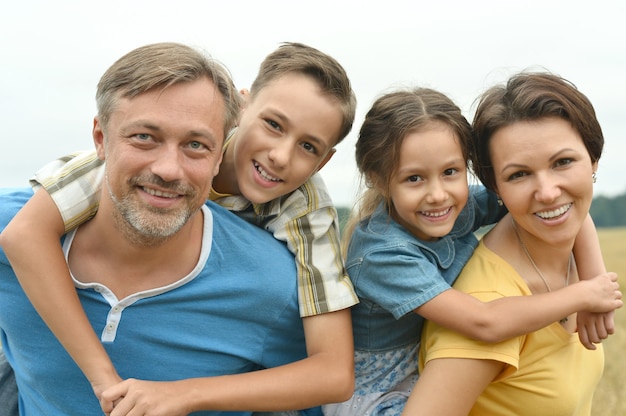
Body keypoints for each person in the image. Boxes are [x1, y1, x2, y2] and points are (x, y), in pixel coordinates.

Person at [0, 42, 354, 416]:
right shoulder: (90, 174)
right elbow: (22, 234)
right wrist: (105, 381)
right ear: (243, 107)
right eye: (273, 124)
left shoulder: (303, 220)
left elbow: (332, 372)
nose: (281, 155)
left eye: (309, 147)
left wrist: (185, 394)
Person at [324, 87, 621, 416]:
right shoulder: (383, 254)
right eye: (414, 178)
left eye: (450, 172)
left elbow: (561, 207)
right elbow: (485, 321)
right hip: (375, 394)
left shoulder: (456, 204)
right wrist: (585, 294)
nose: (438, 194)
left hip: (420, 371)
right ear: (378, 179)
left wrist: (595, 278)